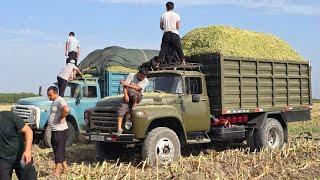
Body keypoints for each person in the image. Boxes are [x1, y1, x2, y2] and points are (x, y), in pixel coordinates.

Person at [0, 111, 37, 180]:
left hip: (21, 156)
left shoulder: (9, 116)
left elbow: (28, 131)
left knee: (30, 177)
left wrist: (28, 151)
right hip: (3, 160)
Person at [117, 68, 149, 134]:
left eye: (143, 77)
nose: (142, 78)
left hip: (138, 97)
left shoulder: (146, 80)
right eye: (141, 76)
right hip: (129, 95)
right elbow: (125, 87)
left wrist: (126, 84)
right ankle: (119, 128)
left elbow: (138, 88)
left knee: (132, 90)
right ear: (138, 73)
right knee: (121, 108)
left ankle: (135, 103)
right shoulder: (131, 75)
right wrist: (125, 95)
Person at [47, 86, 69, 177]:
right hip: (55, 129)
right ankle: (65, 167)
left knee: (58, 150)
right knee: (56, 148)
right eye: (48, 95)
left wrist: (62, 117)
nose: (49, 97)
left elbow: (66, 109)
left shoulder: (60, 100)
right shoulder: (55, 101)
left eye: (50, 95)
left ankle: (57, 171)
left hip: (60, 130)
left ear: (55, 93)